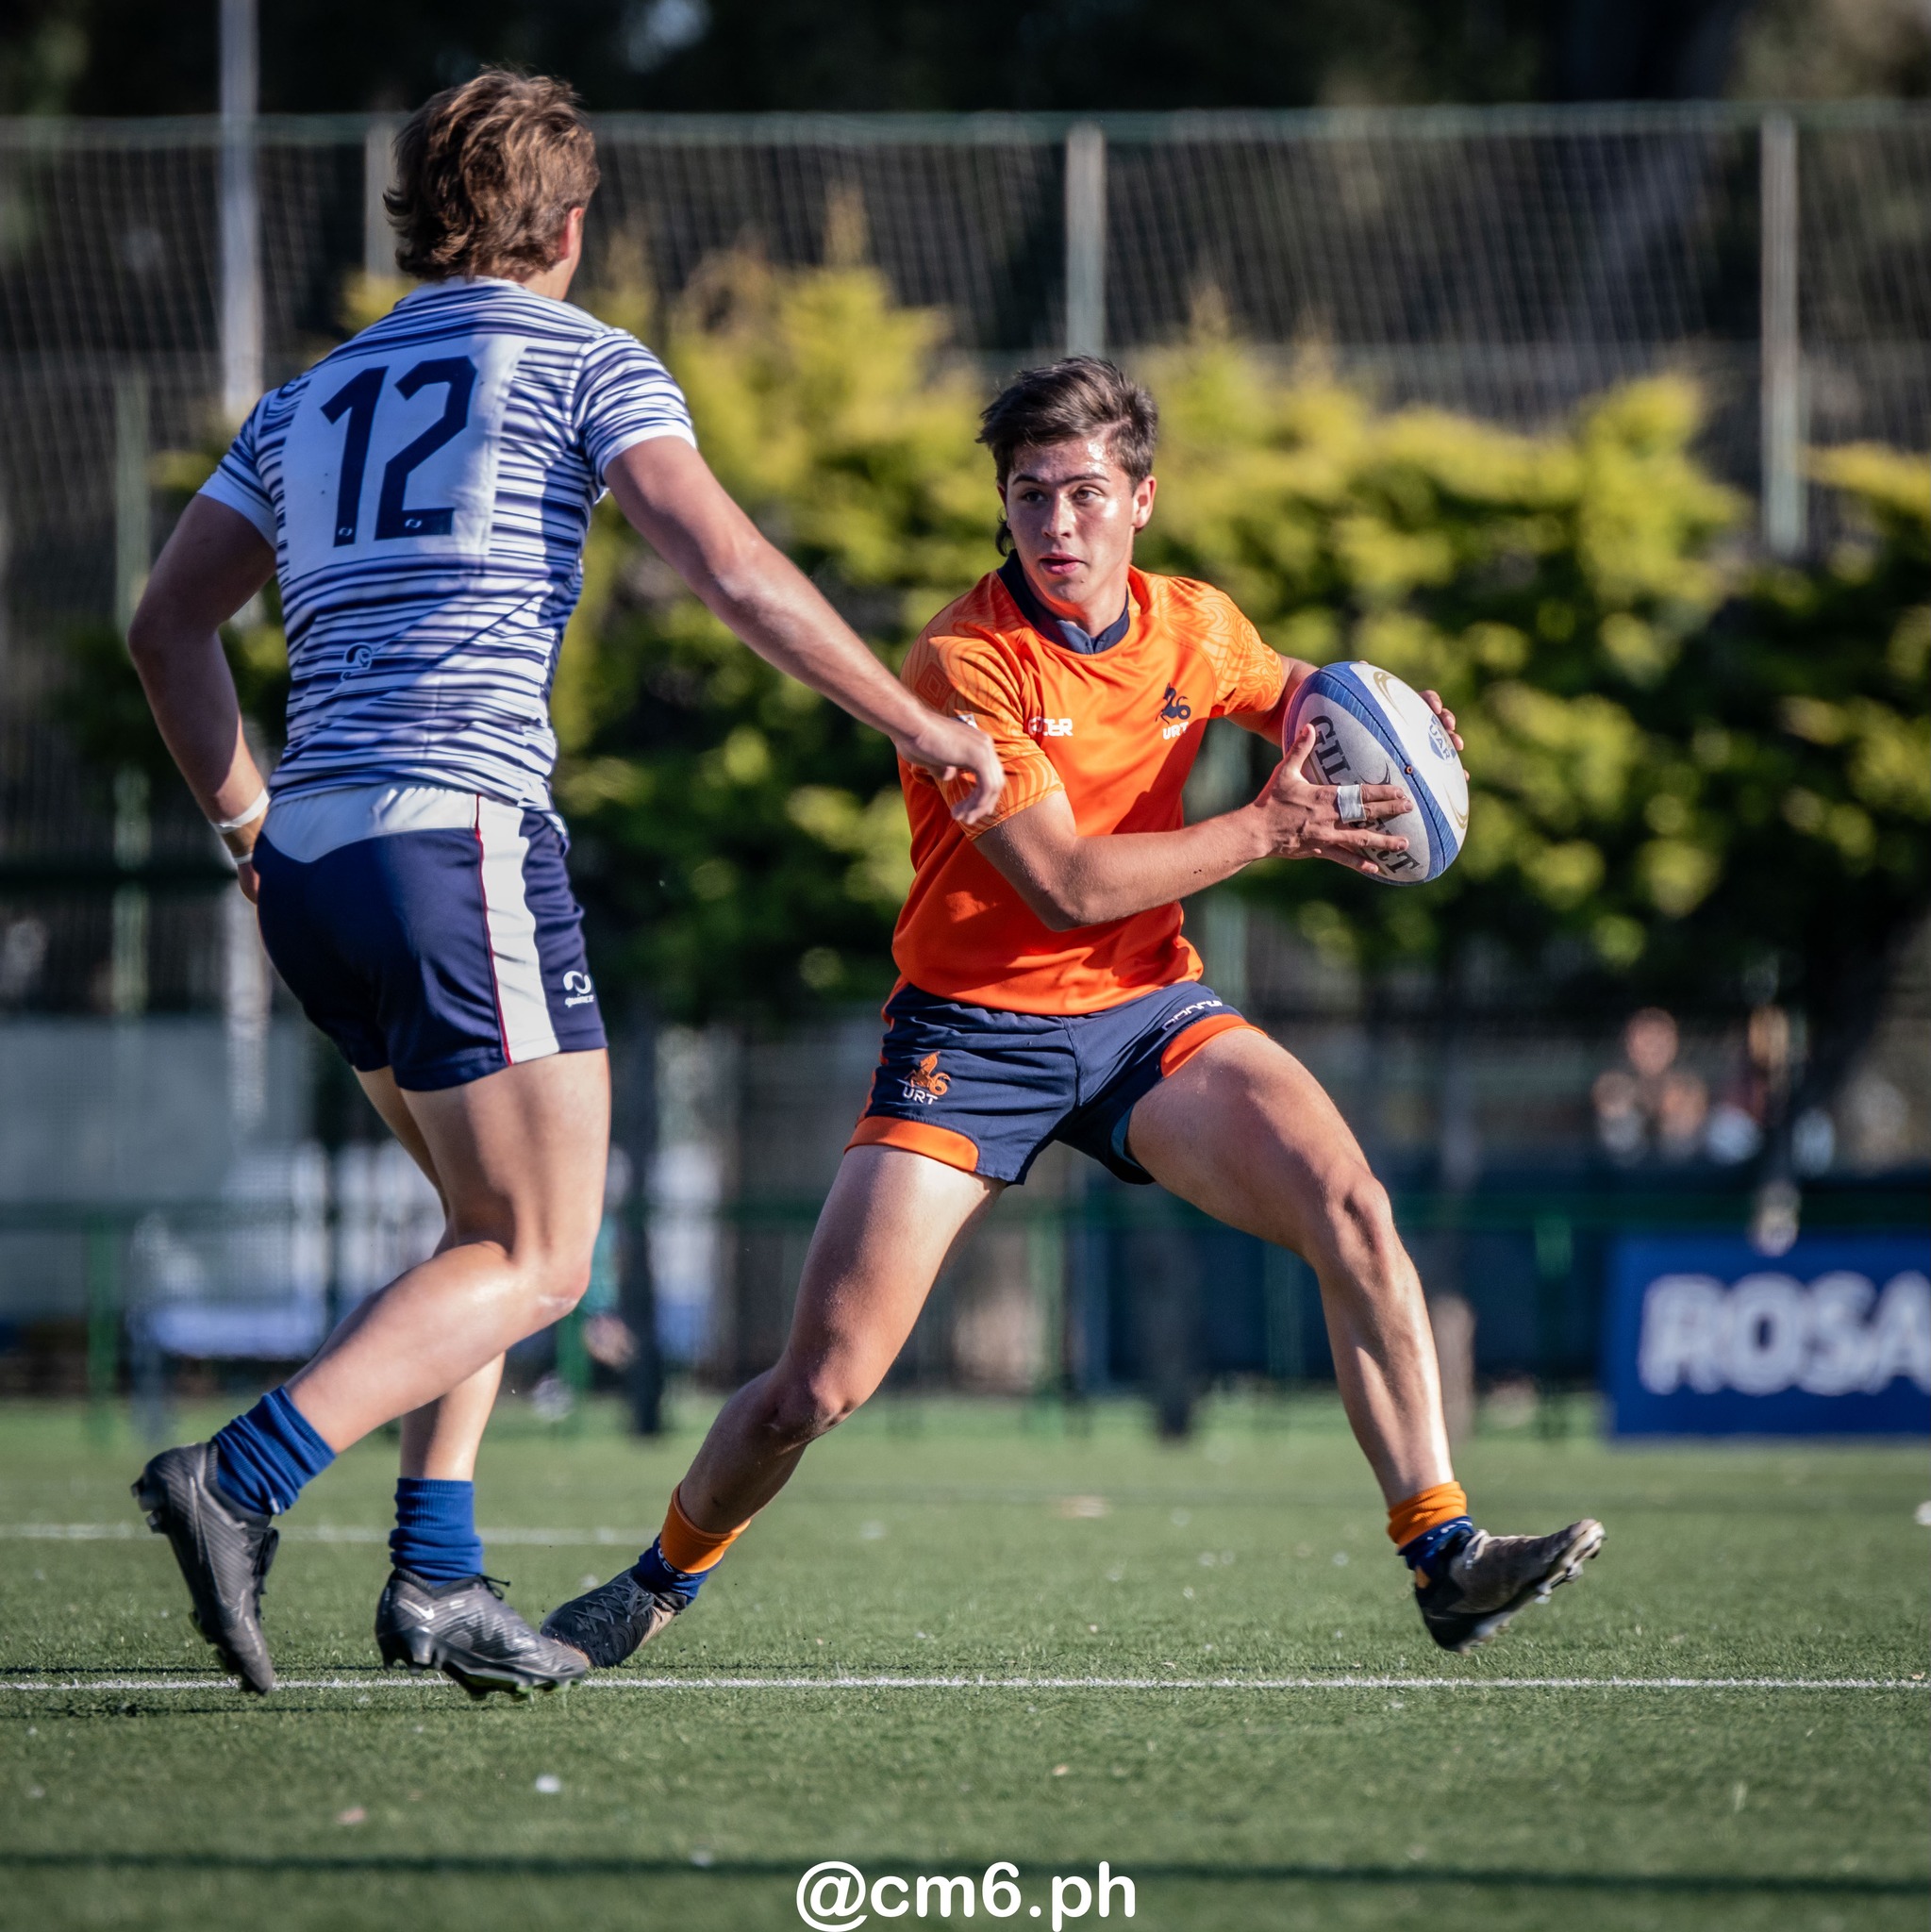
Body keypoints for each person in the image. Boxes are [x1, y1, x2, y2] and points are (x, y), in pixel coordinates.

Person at [125, 70, 1002, 1698]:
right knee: (543, 1258)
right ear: (572, 226)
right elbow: (731, 570)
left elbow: (166, 626)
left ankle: (435, 1575)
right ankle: (240, 1477)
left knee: (482, 1233)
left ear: (415, 216)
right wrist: (924, 724)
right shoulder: (585, 359)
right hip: (453, 843)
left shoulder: (303, 398)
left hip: (314, 860)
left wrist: (249, 833)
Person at [542, 357, 1603, 1669]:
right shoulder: (963, 662)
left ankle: (1445, 1554)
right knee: (816, 1388)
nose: (1058, 524)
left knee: (1353, 1210)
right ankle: (659, 1578)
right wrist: (1267, 826)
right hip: (970, 1035)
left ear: (1142, 499)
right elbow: (1067, 884)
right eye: (1031, 494)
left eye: (1087, 493)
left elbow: (1296, 691)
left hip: (1147, 1018)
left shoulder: (1196, 625)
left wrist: (1390, 723)